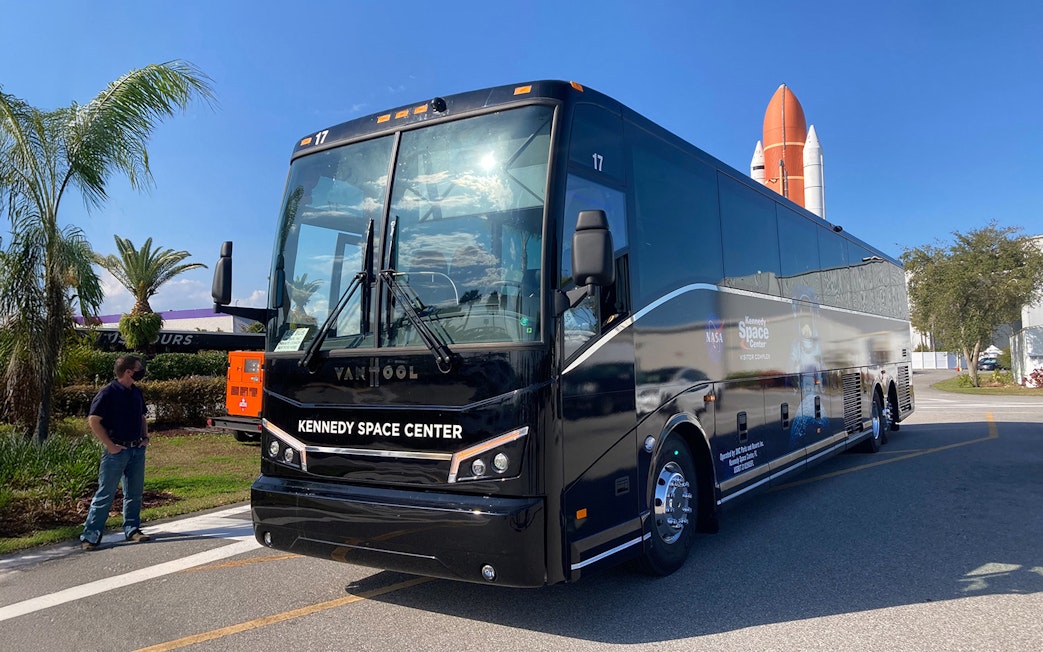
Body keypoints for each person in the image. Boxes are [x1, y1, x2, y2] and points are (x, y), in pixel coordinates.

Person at [79, 355, 152, 550]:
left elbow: (142, 416)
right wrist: (110, 445)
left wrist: (145, 438)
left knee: (134, 494)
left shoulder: (135, 391)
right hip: (116, 452)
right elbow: (94, 420)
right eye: (138, 369)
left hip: (137, 449)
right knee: (105, 494)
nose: (141, 371)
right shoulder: (108, 393)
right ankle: (91, 535)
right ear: (128, 371)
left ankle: (132, 529)